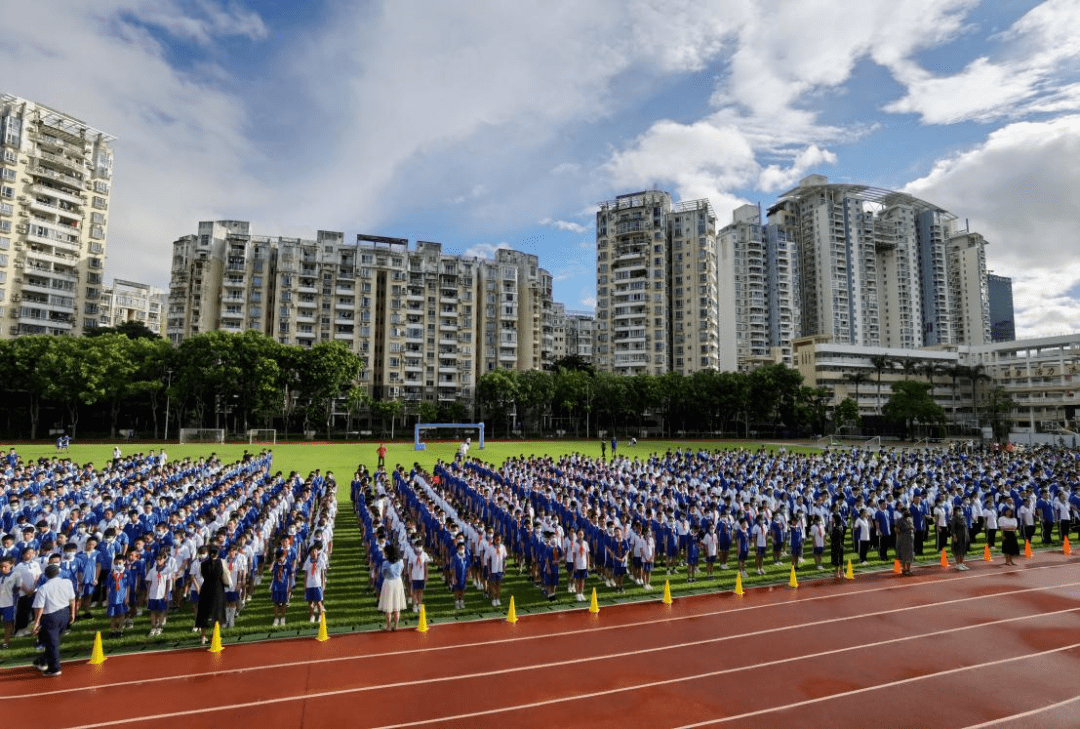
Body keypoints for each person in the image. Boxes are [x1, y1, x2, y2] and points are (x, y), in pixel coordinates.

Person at [31, 564, 76, 677]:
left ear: (46, 575)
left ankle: (54, 668)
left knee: (52, 643)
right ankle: (44, 659)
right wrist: (73, 613)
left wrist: (36, 622)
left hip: (51, 617)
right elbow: (72, 599)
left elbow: (39, 607)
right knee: (54, 640)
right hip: (64, 613)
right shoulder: (67, 582)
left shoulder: (43, 588)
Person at [195, 545, 227, 645]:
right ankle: (215, 635)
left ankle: (203, 636)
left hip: (206, 588)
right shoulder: (220, 563)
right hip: (217, 589)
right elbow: (221, 574)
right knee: (217, 612)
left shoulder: (203, 564)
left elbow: (202, 575)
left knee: (204, 612)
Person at [377, 543, 406, 631]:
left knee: (388, 606)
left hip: (388, 582)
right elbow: (401, 570)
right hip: (398, 581)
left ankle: (388, 626)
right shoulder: (401, 562)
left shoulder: (385, 563)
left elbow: (384, 573)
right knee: (397, 605)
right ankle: (396, 625)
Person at [950, 504, 970, 571]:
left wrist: (967, 535)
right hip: (958, 536)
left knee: (963, 550)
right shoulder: (954, 519)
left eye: (961, 510)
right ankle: (958, 563)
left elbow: (966, 527)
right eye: (959, 510)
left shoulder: (963, 518)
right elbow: (953, 529)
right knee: (958, 550)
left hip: (964, 536)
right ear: (955, 511)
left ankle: (961, 563)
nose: (960, 511)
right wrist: (954, 536)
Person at [896, 507, 915, 576]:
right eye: (905, 511)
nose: (907, 512)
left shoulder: (910, 519)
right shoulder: (900, 520)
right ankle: (903, 569)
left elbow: (912, 527)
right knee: (903, 554)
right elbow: (897, 530)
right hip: (903, 539)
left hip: (910, 539)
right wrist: (903, 531)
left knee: (910, 554)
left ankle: (908, 569)